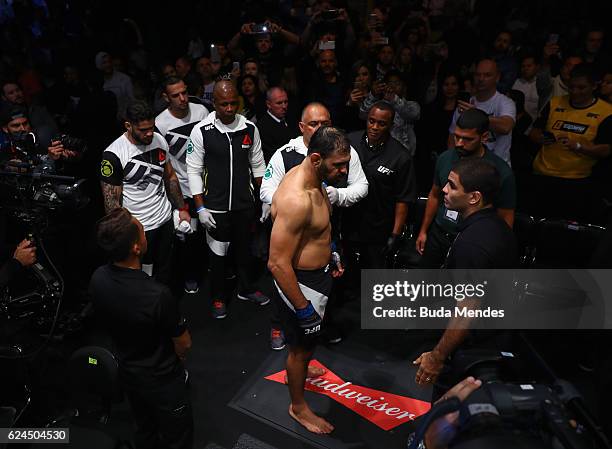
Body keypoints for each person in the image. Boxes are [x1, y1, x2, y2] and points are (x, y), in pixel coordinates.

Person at [260, 102, 368, 350]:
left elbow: (361, 186)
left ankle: (314, 332)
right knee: (298, 340)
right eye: (314, 124)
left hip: (324, 235)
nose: (320, 128)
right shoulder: (287, 157)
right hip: (295, 243)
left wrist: (337, 196)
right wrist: (295, 207)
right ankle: (283, 327)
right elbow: (266, 190)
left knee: (312, 332)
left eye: (325, 124)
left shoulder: (336, 156)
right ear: (302, 127)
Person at [268, 126, 350, 435]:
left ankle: (297, 372)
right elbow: (277, 262)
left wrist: (331, 252)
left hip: (317, 275)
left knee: (306, 347)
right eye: (338, 165)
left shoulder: (316, 178)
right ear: (316, 159)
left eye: (346, 163)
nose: (344, 171)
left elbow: (317, 229)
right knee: (300, 350)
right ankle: (298, 406)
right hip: (299, 283)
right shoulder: (296, 198)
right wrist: (303, 309)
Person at [90, 208, 193, 449]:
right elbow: (184, 342)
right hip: (163, 380)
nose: (146, 235)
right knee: (178, 437)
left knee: (145, 429)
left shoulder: (98, 278)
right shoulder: (157, 295)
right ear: (136, 248)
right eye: (143, 232)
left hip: (128, 373)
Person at [413, 158, 517, 387]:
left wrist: (436, 358)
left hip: (474, 350)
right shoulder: (493, 225)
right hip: (486, 338)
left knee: (448, 415)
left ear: (474, 197)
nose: (444, 190)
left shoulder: (473, 245)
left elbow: (465, 311)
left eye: (452, 185)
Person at [187, 80, 270, 319]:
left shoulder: (249, 129)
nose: (230, 108)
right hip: (215, 206)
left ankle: (247, 289)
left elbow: (258, 165)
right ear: (214, 103)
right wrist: (200, 207)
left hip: (245, 204)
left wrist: (265, 198)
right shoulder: (202, 130)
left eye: (234, 103)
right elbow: (193, 170)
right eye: (224, 104)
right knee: (218, 254)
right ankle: (218, 297)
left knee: (244, 250)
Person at [99, 100, 190, 286]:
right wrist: (128, 232)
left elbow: (170, 177)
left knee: (165, 271)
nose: (149, 133)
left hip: (164, 220)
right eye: (143, 130)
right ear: (128, 126)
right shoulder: (114, 154)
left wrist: (182, 208)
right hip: (138, 227)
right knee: (140, 278)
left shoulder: (158, 139)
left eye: (151, 127)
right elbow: (112, 205)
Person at [417, 108, 516, 268]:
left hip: (471, 241)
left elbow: (505, 216)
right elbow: (435, 195)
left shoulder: (500, 172)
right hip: (439, 234)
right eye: (457, 136)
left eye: (467, 139)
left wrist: (498, 248)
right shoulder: (445, 159)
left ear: (484, 137)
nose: (459, 143)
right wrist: (423, 230)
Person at [529, 64, 612, 222]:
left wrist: (580, 147)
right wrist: (540, 137)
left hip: (576, 181)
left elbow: (606, 150)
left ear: (594, 86)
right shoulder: (555, 103)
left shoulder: (606, 112)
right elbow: (534, 132)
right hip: (542, 175)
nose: (575, 91)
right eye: (571, 86)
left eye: (581, 87)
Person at [345, 101, 417, 268]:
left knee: (373, 276)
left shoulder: (401, 157)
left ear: (391, 125)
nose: (375, 127)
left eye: (382, 123)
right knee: (348, 273)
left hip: (378, 228)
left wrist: (395, 234)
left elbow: (403, 199)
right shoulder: (350, 142)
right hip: (350, 222)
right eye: (372, 121)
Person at [155, 77, 209, 293]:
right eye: (176, 95)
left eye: (184, 92)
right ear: (166, 97)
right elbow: (164, 164)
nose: (183, 98)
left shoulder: (201, 112)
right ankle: (190, 275)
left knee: (213, 231)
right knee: (188, 237)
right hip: (183, 188)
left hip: (206, 184)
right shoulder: (160, 124)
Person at [448, 59, 516, 165]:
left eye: (487, 75)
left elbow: (506, 126)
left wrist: (476, 114)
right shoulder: (465, 105)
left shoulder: (505, 102)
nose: (481, 79)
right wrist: (452, 163)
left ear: (497, 77)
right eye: (477, 75)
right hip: (469, 169)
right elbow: (452, 137)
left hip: (498, 169)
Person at [256, 87, 299, 162]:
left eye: (286, 102)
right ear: (268, 104)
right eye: (279, 103)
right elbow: (272, 156)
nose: (284, 106)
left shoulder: (292, 119)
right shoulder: (262, 127)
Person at [95, 51, 134, 120]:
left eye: (109, 61)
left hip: (124, 120)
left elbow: (132, 99)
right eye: (104, 62)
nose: (108, 65)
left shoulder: (124, 79)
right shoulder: (97, 82)